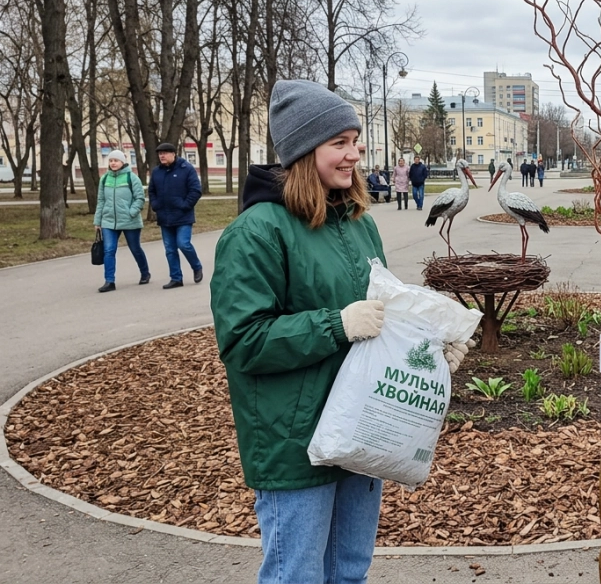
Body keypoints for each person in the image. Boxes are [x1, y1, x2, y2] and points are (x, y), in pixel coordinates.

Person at [210, 79, 472, 584]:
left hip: (360, 427)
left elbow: (383, 312)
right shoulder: (257, 231)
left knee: (349, 571)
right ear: (305, 150)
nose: (354, 154)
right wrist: (337, 325)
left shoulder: (357, 222)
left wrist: (429, 348)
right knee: (298, 576)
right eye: (340, 143)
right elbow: (244, 340)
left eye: (355, 141)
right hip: (294, 440)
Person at [93, 149, 151, 292]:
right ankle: (109, 281)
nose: (113, 163)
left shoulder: (132, 178)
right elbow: (101, 200)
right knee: (109, 250)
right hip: (108, 221)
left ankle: (145, 273)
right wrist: (97, 220)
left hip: (129, 221)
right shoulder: (105, 178)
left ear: (122, 162)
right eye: (111, 161)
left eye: (116, 161)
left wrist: (131, 212)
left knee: (135, 248)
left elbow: (140, 198)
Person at [148, 142, 203, 290]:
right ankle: (176, 278)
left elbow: (196, 190)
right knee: (170, 249)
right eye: (160, 154)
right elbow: (152, 191)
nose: (162, 156)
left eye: (165, 153)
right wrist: (156, 205)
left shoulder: (186, 169)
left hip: (183, 216)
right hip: (164, 216)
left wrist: (185, 205)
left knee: (183, 243)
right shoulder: (157, 172)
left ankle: (196, 266)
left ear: (173, 154)